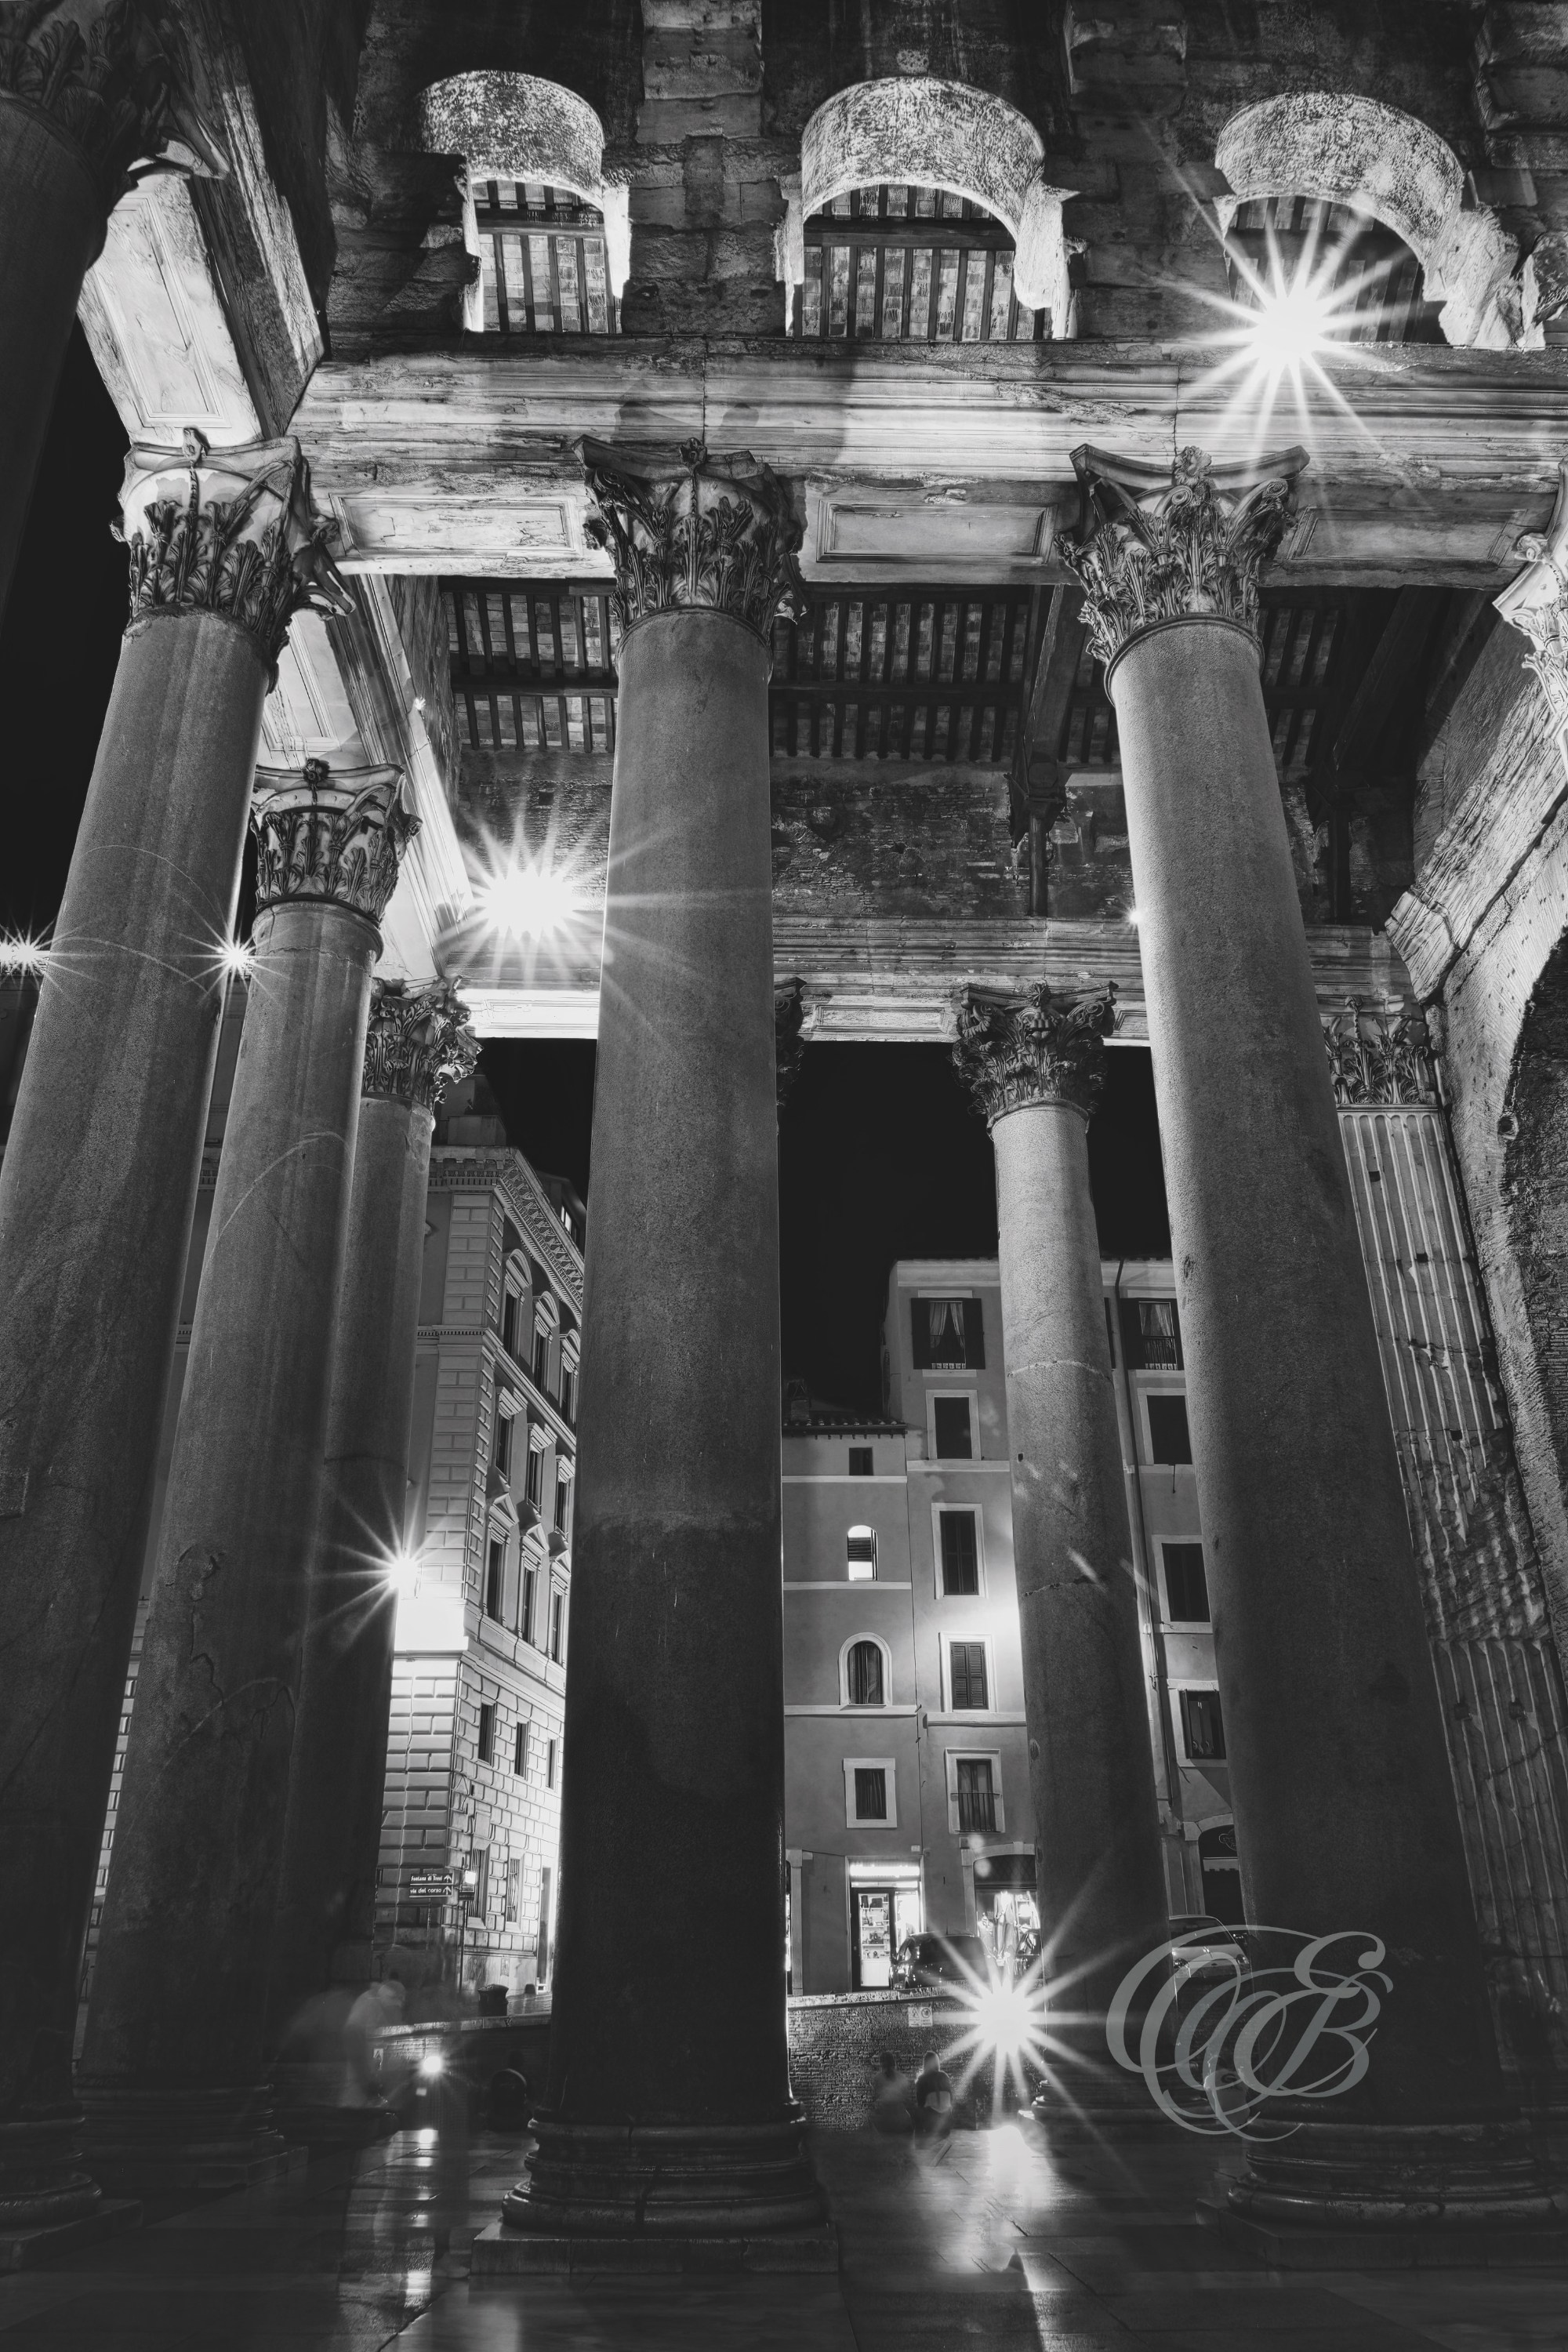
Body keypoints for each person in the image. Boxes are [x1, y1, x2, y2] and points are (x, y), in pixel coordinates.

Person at [869, 2048, 916, 2135]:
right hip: (901, 2121)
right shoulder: (902, 2077)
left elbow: (875, 2097)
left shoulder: (878, 2078)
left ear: (881, 2064)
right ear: (893, 2062)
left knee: (870, 2115)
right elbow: (906, 2098)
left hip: (884, 2121)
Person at [913, 2049, 954, 2143]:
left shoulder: (922, 2080)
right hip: (946, 2123)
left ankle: (919, 2143)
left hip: (930, 2124)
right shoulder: (945, 2076)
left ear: (925, 2063)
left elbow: (920, 2102)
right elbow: (951, 2099)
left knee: (917, 2110)